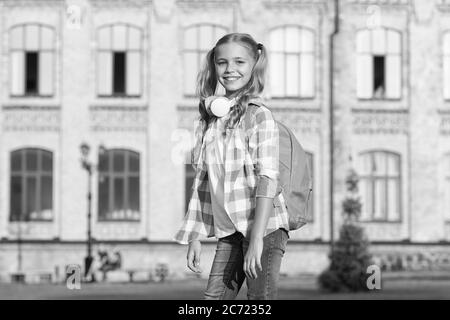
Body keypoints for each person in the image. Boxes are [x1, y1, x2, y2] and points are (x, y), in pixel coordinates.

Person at [174, 33, 290, 300]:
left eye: (239, 62)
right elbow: (203, 180)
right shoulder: (210, 121)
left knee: (259, 301)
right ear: (213, 65)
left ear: (254, 65)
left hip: (265, 229)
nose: (230, 70)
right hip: (230, 231)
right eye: (222, 62)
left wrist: (257, 239)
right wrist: (194, 235)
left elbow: (268, 179)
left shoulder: (259, 116)